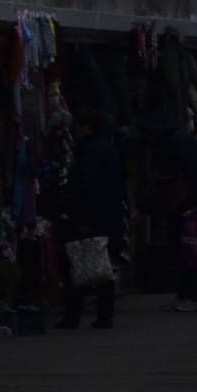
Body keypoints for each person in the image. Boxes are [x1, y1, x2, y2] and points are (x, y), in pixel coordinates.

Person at [57, 109, 125, 330]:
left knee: (78, 264)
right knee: (101, 267)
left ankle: (74, 314)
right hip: (106, 215)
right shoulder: (107, 147)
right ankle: (103, 315)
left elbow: (85, 184)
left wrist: (74, 210)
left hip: (89, 216)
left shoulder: (87, 151)